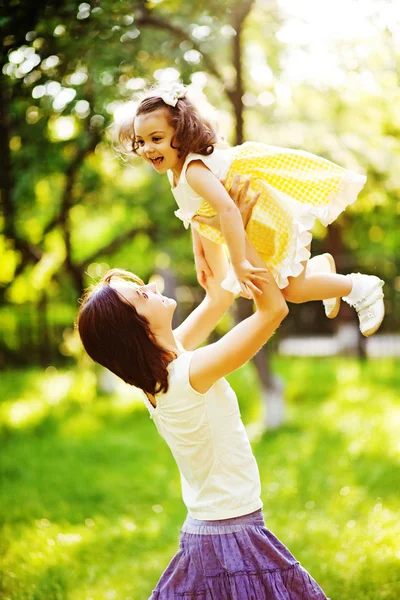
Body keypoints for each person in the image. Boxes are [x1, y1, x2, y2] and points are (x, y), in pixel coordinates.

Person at [76, 180, 329, 599]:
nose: (153, 288)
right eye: (142, 294)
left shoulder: (161, 373)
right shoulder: (189, 372)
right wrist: (239, 227)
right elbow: (274, 310)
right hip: (231, 534)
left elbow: (217, 296)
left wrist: (201, 217)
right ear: (136, 329)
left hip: (212, 531)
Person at [117, 82, 385, 337]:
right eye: (141, 141)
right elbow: (197, 215)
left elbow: (228, 211)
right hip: (254, 228)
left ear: (182, 134)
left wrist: (239, 262)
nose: (147, 148)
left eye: (156, 138)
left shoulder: (194, 171)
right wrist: (200, 254)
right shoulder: (176, 172)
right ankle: (318, 270)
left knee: (293, 290)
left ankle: (360, 287)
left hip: (266, 219)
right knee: (288, 286)